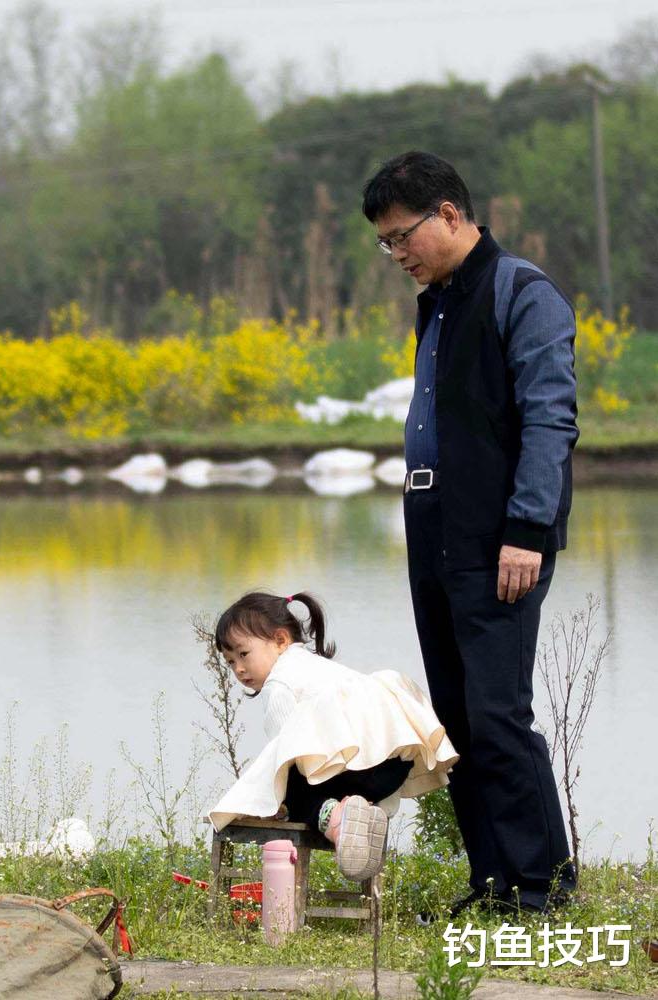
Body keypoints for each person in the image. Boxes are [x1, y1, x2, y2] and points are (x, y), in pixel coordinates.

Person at [362, 151, 579, 915]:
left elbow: (551, 420)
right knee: (456, 718)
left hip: (499, 536)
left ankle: (541, 887)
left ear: (449, 214)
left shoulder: (523, 291)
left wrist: (526, 528)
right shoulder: (441, 299)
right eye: (386, 244)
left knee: (496, 713)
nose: (396, 255)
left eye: (401, 237)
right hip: (434, 526)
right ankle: (493, 882)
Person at [208, 592, 458, 882]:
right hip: (392, 768)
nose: (238, 669)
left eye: (243, 654)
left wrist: (273, 803)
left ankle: (336, 821)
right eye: (230, 662)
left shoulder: (280, 684)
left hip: (355, 770)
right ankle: (363, 814)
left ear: (280, 641)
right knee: (308, 777)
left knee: (291, 789)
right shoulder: (319, 668)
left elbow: (284, 760)